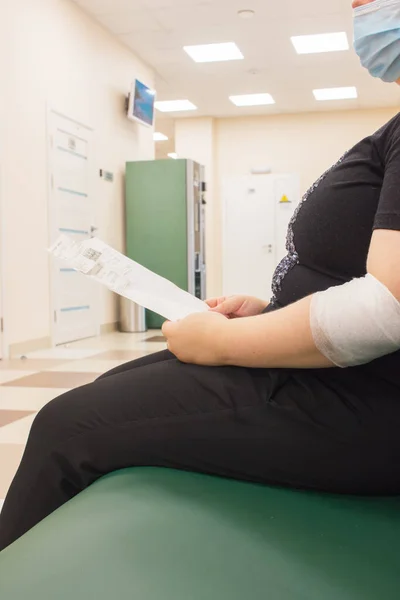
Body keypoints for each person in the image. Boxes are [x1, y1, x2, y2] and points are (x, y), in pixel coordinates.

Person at [1, 0, 400, 552]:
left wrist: (225, 343)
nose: (360, 9)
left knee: (66, 427)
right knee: (107, 388)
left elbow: (387, 309)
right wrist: (268, 315)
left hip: (365, 402)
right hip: (345, 374)